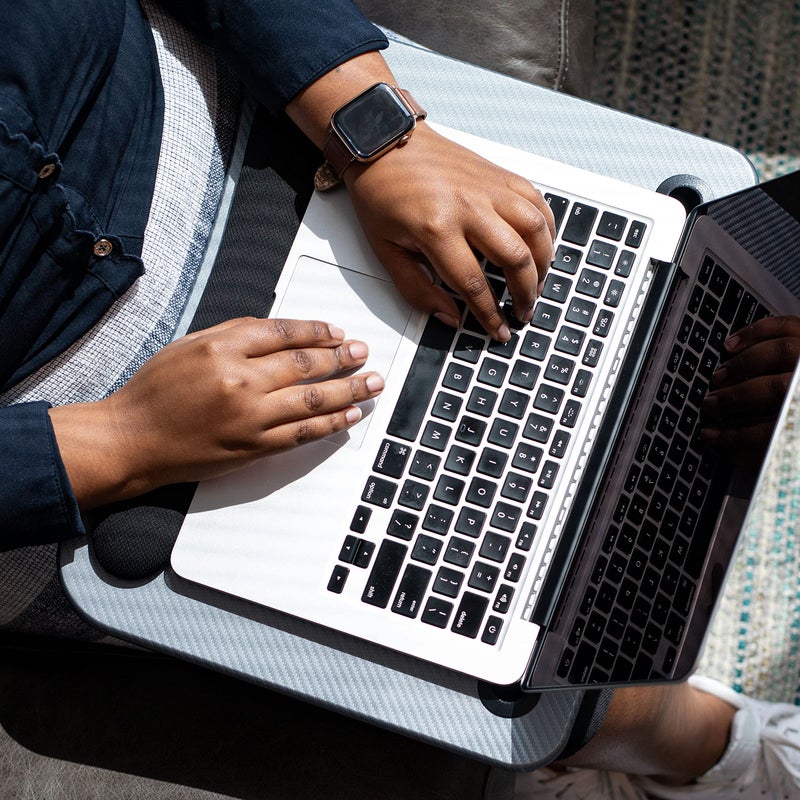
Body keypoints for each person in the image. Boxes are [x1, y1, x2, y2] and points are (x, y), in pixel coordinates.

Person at [2, 1, 800, 798]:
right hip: (92, 439)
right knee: (503, 635)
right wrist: (116, 440)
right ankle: (693, 746)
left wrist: (375, 128)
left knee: (672, 338)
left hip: (269, 119)